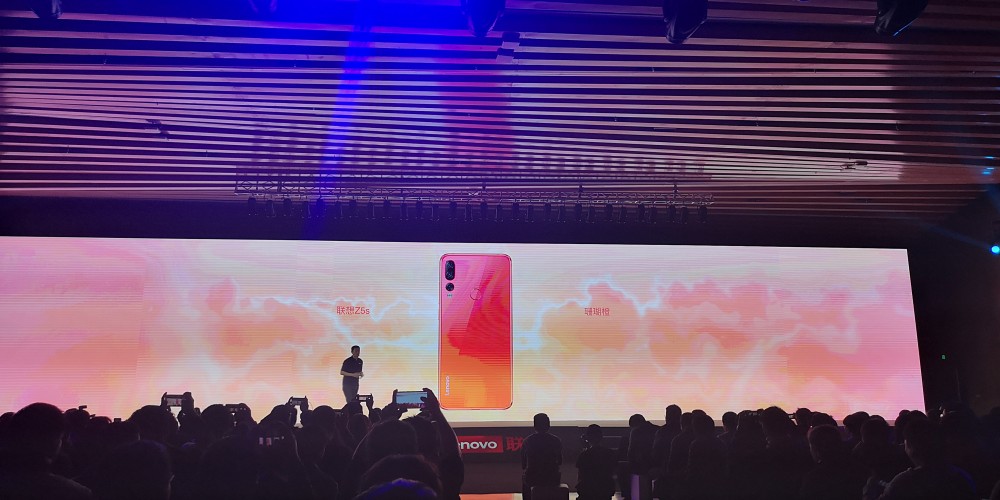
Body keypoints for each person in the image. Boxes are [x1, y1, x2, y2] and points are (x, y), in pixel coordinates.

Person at [522, 413, 562, 500]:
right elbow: (560, 461)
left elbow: (523, 465)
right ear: (548, 425)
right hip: (551, 478)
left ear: (534, 426)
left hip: (533, 478)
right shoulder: (556, 440)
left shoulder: (527, 441)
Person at [576, 425, 616, 500]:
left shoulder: (584, 455)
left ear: (587, 438)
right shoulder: (610, 453)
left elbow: (581, 476)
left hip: (588, 492)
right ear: (601, 437)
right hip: (605, 491)